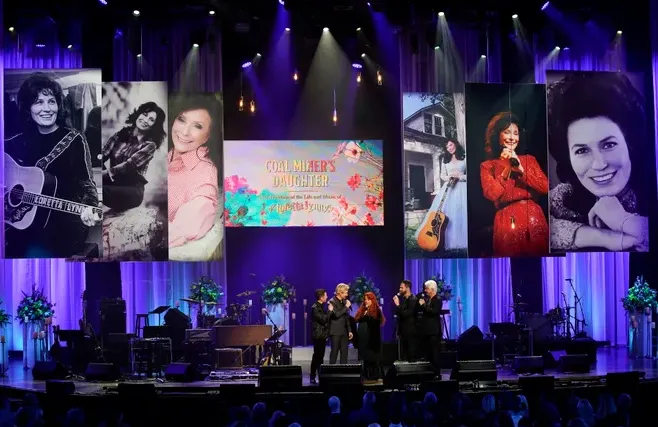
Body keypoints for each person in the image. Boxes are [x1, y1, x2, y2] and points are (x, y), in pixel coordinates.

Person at [547, 72, 648, 252]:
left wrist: (622, 220)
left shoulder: (651, 188)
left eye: (609, 145)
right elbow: (529, 231)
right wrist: (604, 237)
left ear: (630, 143)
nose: (599, 164)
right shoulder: (564, 196)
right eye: (582, 150)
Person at [4, 72, 100, 258]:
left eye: (51, 101)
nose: (46, 108)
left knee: (32, 251)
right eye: (38, 102)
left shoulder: (74, 139)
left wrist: (90, 206)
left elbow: (87, 182)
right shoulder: (15, 142)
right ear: (28, 108)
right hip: (22, 224)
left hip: (64, 224)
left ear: (58, 105)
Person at [479, 112, 549, 257]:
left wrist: (521, 169)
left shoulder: (529, 159)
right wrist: (506, 170)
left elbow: (545, 187)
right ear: (497, 136)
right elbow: (491, 194)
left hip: (533, 217)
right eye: (507, 132)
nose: (512, 137)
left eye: (515, 133)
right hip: (506, 219)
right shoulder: (488, 165)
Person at [168, 94, 222, 250]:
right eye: (182, 120)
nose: (184, 132)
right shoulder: (163, 154)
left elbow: (201, 208)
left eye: (197, 126)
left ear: (207, 136)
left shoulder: (205, 170)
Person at [102, 101, 166, 211]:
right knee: (93, 162)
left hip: (132, 191)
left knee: (101, 190)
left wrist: (102, 175)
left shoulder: (150, 145)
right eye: (144, 115)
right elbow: (103, 154)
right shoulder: (120, 135)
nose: (145, 120)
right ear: (138, 114)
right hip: (114, 183)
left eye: (151, 120)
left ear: (154, 126)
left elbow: (128, 166)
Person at [415, 140, 468, 253]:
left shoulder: (464, 157)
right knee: (445, 212)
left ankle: (460, 239)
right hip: (449, 188)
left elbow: (469, 174)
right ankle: (441, 237)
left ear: (456, 145)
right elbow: (442, 175)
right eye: (447, 146)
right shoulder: (445, 160)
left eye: (451, 145)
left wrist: (461, 176)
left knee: (461, 212)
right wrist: (450, 177)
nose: (449, 148)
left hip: (462, 188)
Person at [354, 292, 385, 381]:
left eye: (368, 299)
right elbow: (357, 319)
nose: (366, 301)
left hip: (372, 338)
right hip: (363, 337)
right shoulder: (362, 310)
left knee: (372, 357)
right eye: (365, 299)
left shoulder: (377, 311)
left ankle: (374, 375)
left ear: (372, 300)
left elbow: (374, 322)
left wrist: (367, 314)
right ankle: (366, 375)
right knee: (365, 358)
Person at [417, 280, 441, 375]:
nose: (425, 291)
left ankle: (436, 373)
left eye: (426, 289)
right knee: (428, 354)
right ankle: (430, 373)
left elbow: (433, 312)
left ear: (432, 289)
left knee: (434, 353)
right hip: (427, 332)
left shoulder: (437, 299)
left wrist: (423, 305)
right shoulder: (429, 299)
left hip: (433, 332)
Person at [328, 283, 353, 364]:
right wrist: (346, 307)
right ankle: (331, 373)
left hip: (344, 332)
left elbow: (346, 317)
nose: (347, 294)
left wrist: (349, 330)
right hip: (335, 332)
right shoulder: (332, 301)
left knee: (344, 353)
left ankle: (343, 372)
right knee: (334, 353)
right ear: (339, 292)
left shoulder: (344, 302)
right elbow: (336, 315)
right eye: (345, 292)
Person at [393, 280, 417, 361]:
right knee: (404, 355)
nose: (399, 289)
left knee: (410, 355)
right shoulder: (404, 299)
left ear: (407, 288)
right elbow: (399, 313)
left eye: (401, 287)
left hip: (410, 331)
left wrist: (398, 305)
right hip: (403, 331)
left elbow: (406, 314)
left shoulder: (413, 300)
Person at [310, 288, 329, 384]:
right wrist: (330, 311)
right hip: (318, 335)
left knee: (320, 356)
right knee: (317, 356)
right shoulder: (315, 307)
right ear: (321, 297)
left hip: (322, 335)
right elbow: (323, 320)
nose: (327, 297)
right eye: (325, 295)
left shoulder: (321, 306)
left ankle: (320, 375)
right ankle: (313, 376)